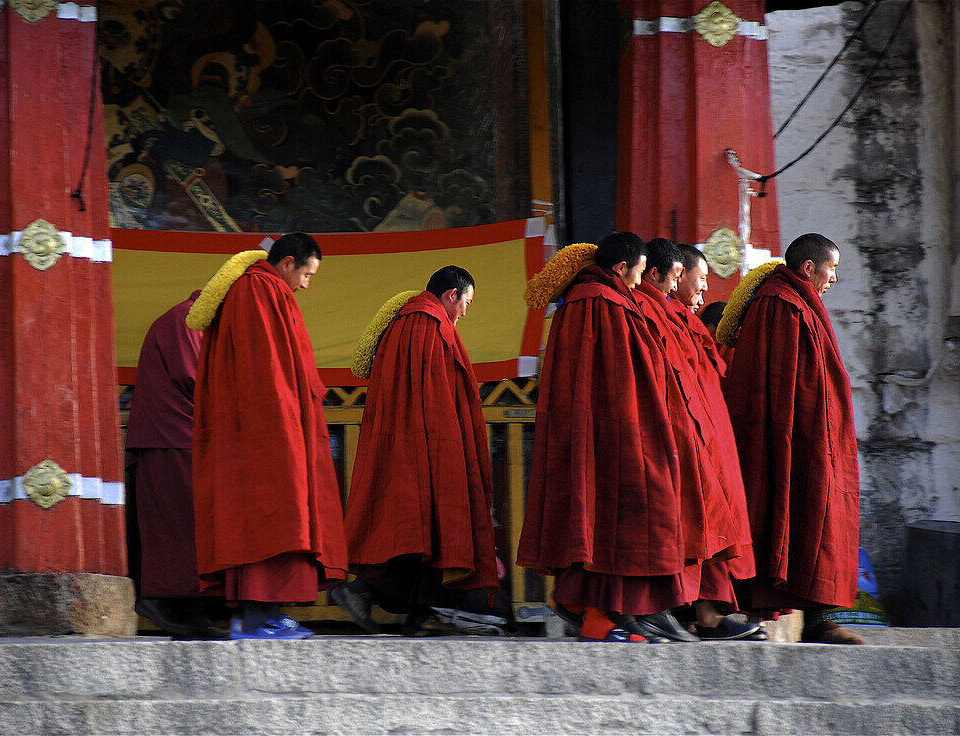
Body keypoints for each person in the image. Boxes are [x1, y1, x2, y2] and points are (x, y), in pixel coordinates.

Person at [518, 232, 693, 643]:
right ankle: (614, 611)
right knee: (622, 512)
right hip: (614, 431)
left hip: (590, 431)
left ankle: (612, 612)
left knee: (596, 517)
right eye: (637, 272)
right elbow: (622, 381)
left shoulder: (580, 303)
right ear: (620, 268)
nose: (639, 282)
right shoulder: (602, 304)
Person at [188, 233, 348, 640]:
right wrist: (285, 425)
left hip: (269, 424)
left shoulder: (260, 288)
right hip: (269, 426)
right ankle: (259, 617)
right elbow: (267, 368)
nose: (305, 285)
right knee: (273, 513)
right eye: (306, 274)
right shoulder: (258, 289)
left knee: (270, 516)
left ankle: (261, 615)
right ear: (288, 262)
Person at [334, 266, 497, 635]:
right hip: (426, 444)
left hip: (403, 442)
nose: (465, 313)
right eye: (466, 303)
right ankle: (362, 591)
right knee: (422, 528)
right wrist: (450, 451)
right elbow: (435, 397)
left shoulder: (408, 322)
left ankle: (416, 612)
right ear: (451, 295)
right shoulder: (428, 324)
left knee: (422, 533)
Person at [724, 233, 864, 644]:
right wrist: (798, 435)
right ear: (808, 268)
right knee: (795, 513)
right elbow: (781, 382)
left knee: (819, 518)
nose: (834, 278)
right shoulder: (781, 306)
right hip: (788, 435)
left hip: (810, 431)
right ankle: (788, 618)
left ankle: (818, 618)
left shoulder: (798, 303)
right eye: (831, 268)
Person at [634, 239, 760, 640]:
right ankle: (692, 612)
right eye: (697, 279)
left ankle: (705, 612)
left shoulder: (677, 317)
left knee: (711, 520)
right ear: (673, 273)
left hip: (706, 433)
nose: (703, 290)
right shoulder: (653, 312)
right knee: (690, 519)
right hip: (682, 436)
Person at [125, 290, 227, 639]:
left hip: (184, 437)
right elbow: (197, 379)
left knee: (187, 527)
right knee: (182, 527)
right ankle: (172, 605)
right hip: (173, 435)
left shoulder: (202, 321)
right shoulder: (187, 319)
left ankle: (187, 606)